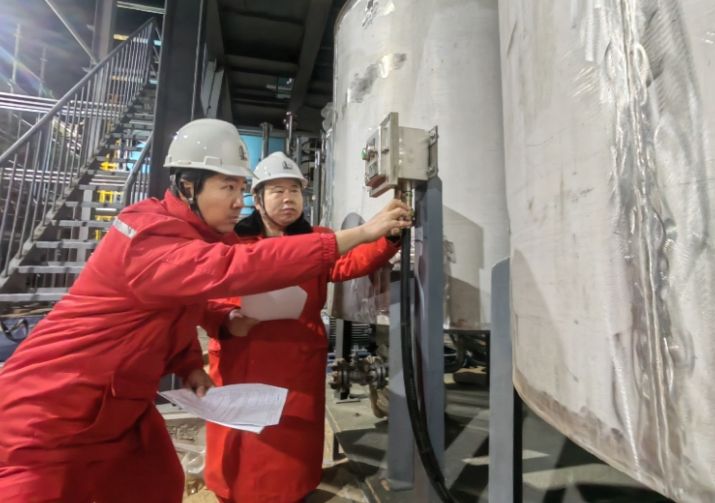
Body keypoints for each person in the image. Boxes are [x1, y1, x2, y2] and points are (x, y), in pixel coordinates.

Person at [0, 119, 411, 503]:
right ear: (187, 186)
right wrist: (359, 233)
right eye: (227, 187)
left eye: (240, 189)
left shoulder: (193, 237)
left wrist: (187, 364)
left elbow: (175, 312)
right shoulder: (149, 233)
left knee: (161, 483)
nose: (236, 202)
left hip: (119, 407)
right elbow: (235, 268)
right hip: (50, 412)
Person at [204, 152, 407, 503]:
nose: (288, 199)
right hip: (242, 354)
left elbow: (348, 263)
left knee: (293, 434)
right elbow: (206, 295)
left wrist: (388, 239)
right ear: (258, 199)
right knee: (242, 435)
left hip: (297, 357)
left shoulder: (318, 239)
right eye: (278, 191)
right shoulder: (230, 242)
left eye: (294, 191)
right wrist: (224, 320)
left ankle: (294, 490)